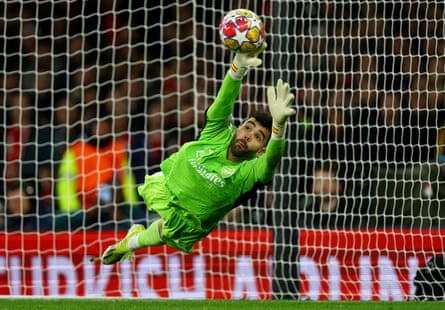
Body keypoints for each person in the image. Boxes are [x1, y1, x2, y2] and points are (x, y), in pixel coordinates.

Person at [98, 43, 296, 264]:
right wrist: (236, 69)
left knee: (171, 233)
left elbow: (271, 162)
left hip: (193, 219)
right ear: (239, 126)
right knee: (167, 225)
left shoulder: (250, 170)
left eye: (258, 136)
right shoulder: (220, 131)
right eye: (248, 127)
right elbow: (223, 102)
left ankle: (130, 242)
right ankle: (136, 238)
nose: (248, 135)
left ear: (260, 150)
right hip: (165, 184)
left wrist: (279, 128)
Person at [55, 105, 139, 230]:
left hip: (115, 208)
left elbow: (127, 181)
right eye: (98, 125)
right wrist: (75, 212)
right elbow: (65, 186)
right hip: (84, 210)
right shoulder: (76, 151)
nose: (102, 129)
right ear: (91, 126)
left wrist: (132, 207)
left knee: (139, 220)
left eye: (105, 125)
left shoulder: (117, 149)